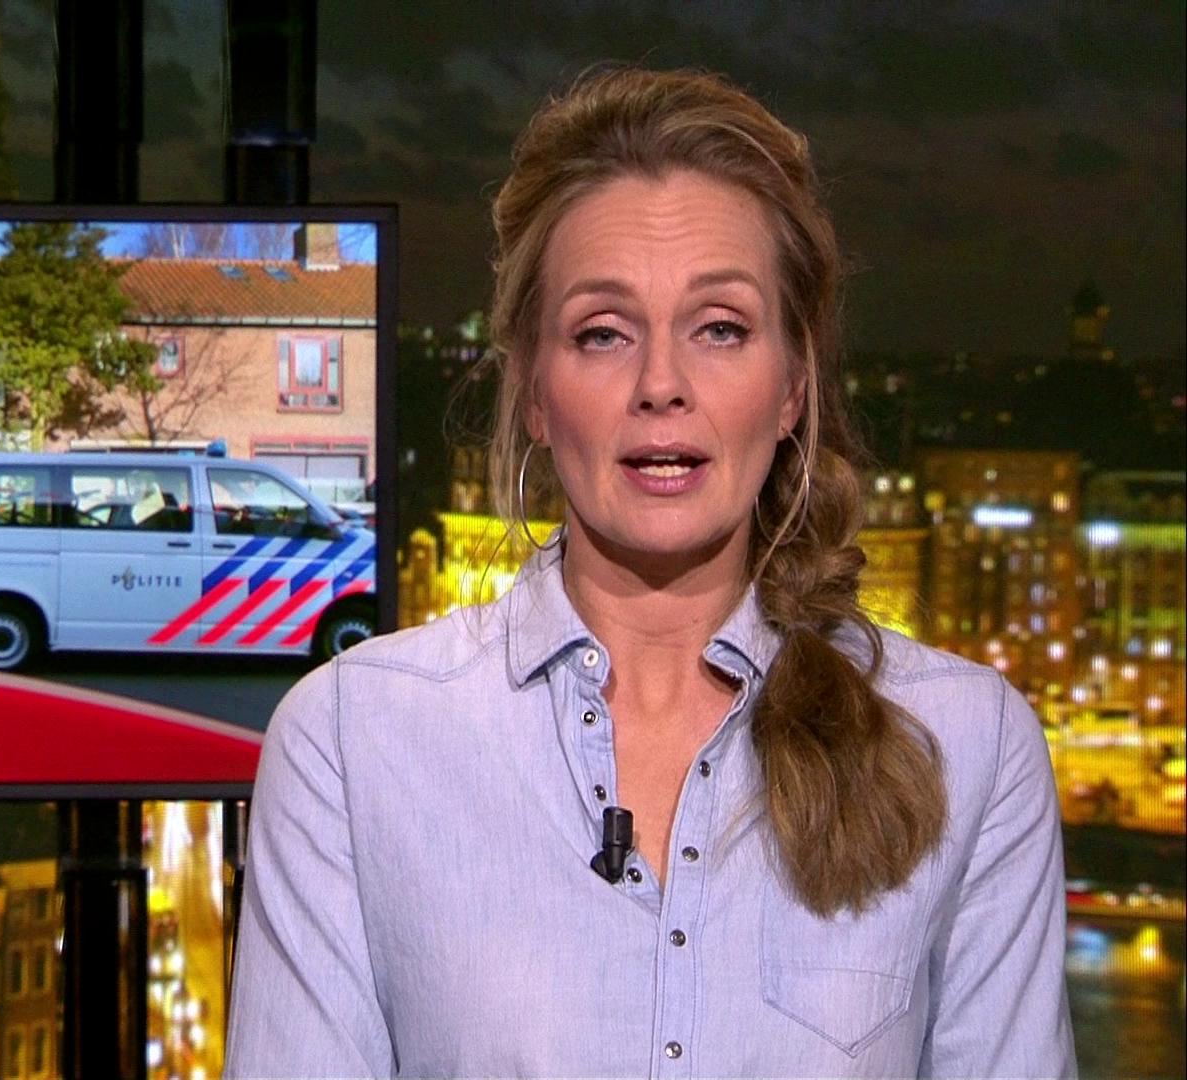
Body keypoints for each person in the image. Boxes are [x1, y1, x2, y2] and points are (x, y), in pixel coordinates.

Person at [224, 68, 1075, 1078]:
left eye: (720, 328)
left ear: (793, 385)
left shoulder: (969, 746)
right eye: (603, 334)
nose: (661, 385)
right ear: (535, 390)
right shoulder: (350, 742)